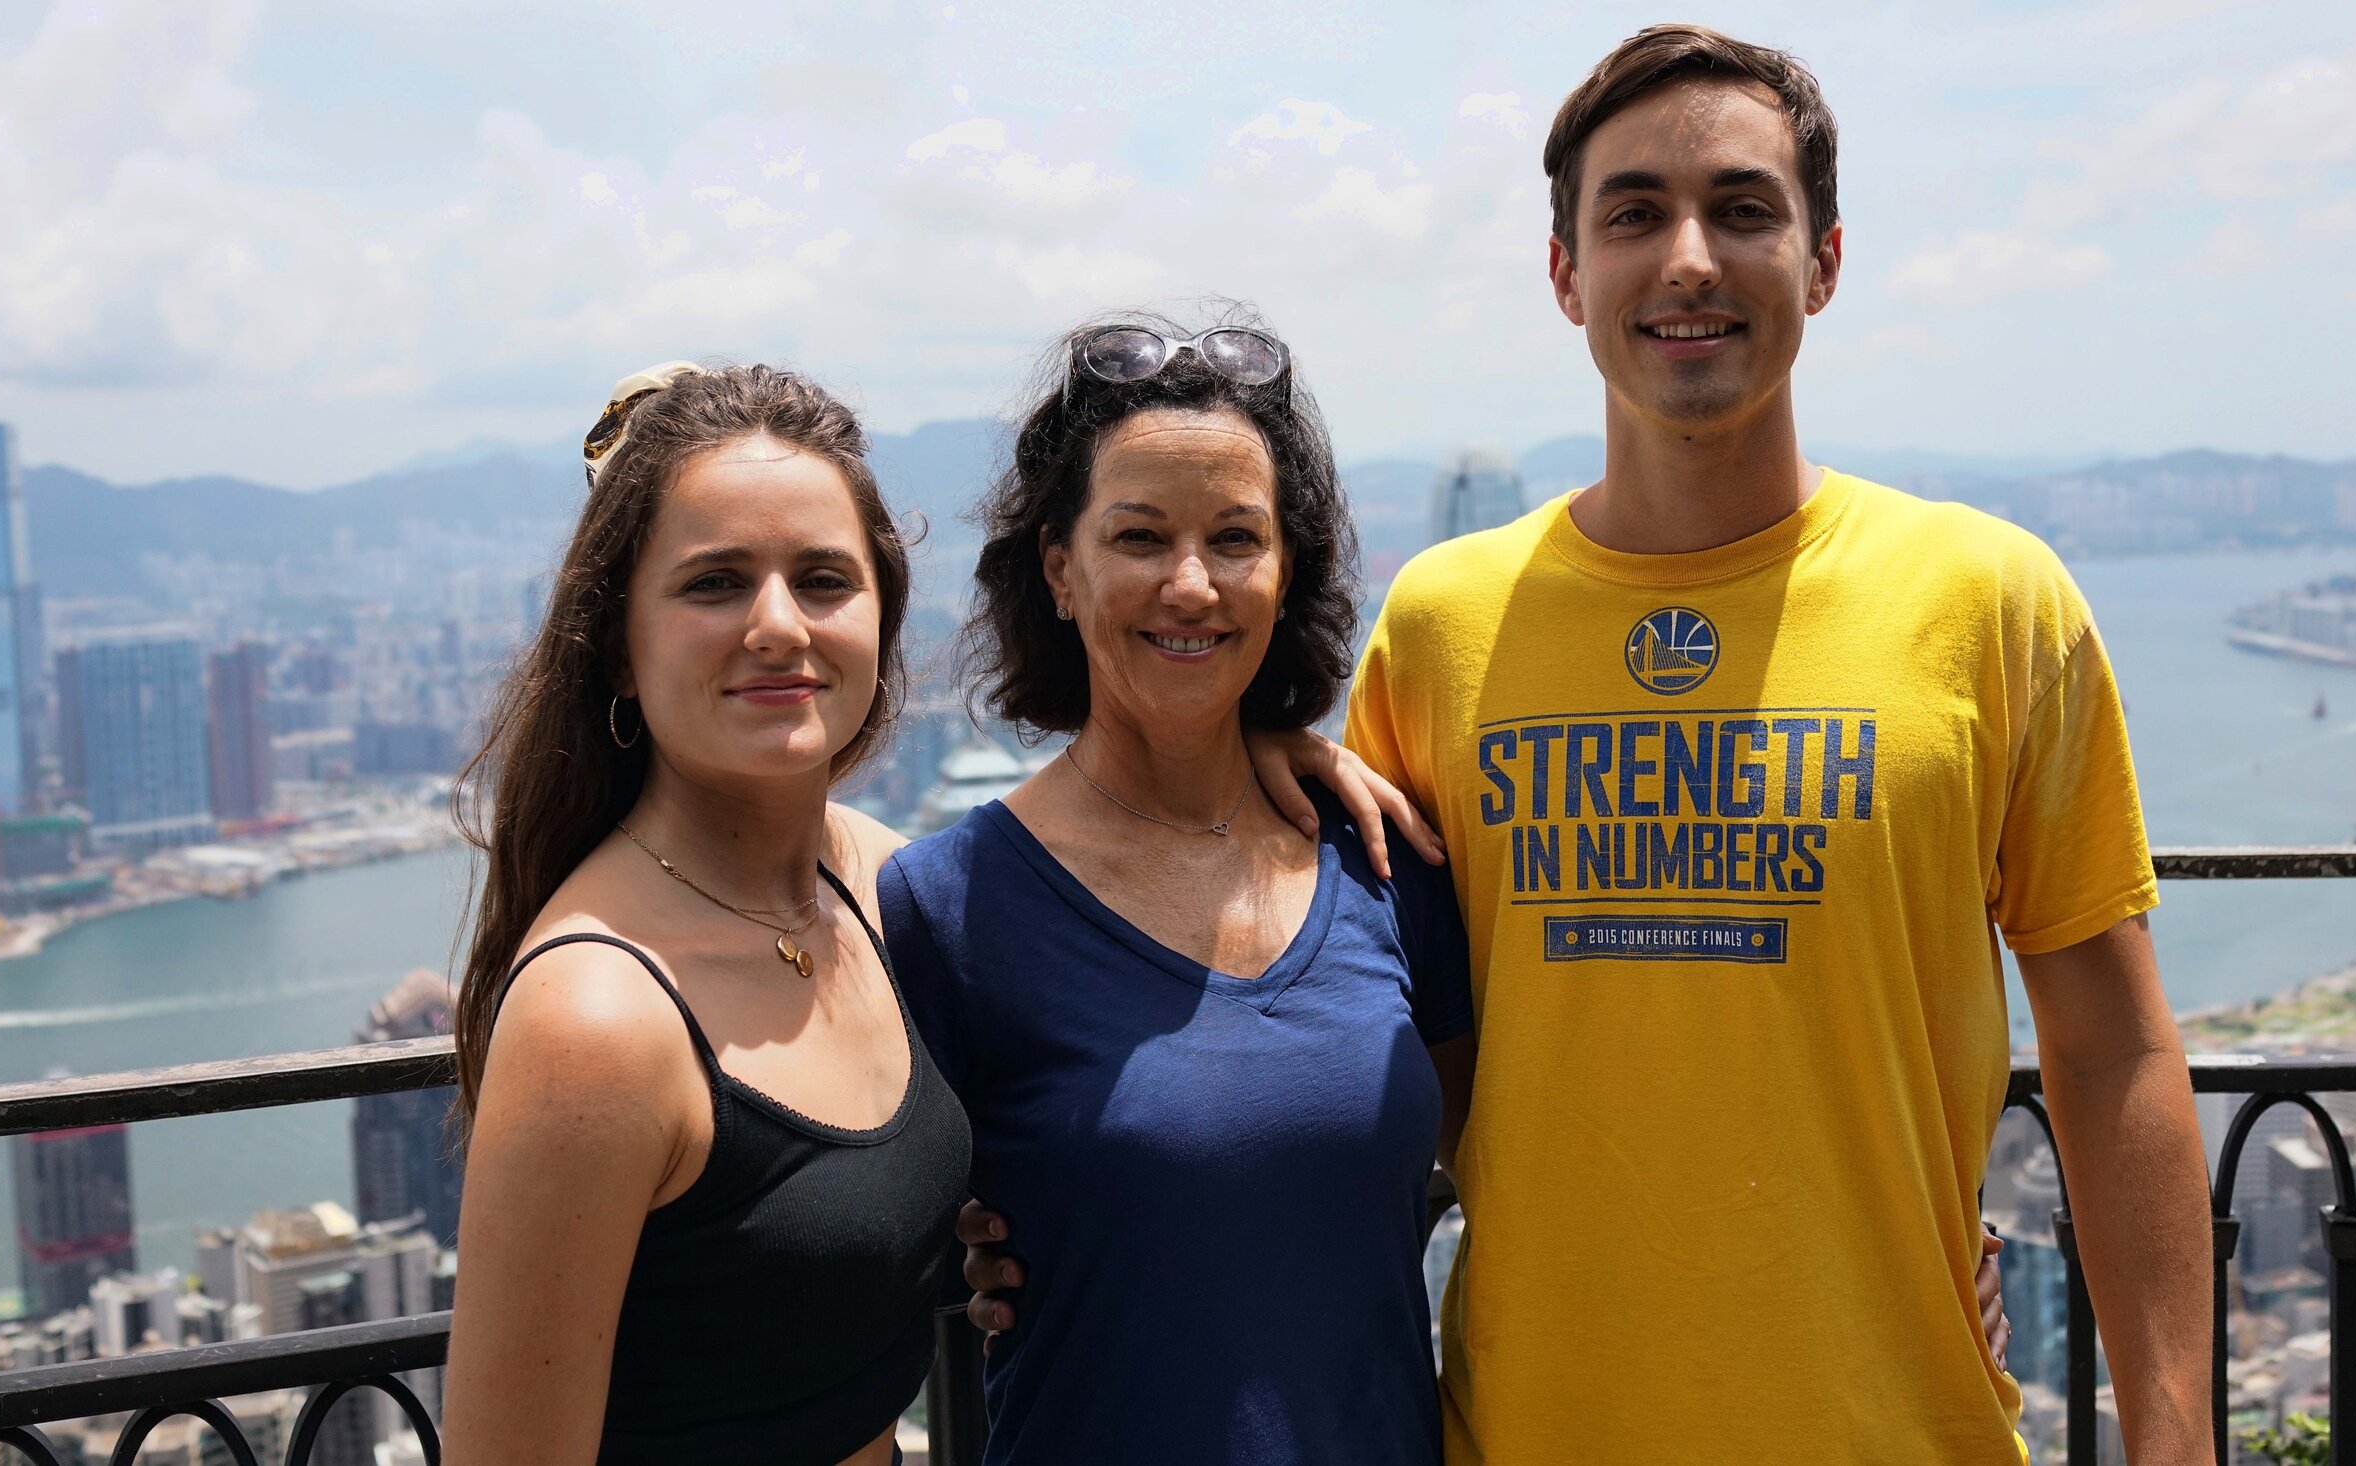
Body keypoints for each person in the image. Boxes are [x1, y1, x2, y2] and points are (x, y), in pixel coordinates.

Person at [1337, 24, 2210, 1465]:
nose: (1690, 258)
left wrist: (2177, 1436)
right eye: (1633, 214)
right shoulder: (1439, 626)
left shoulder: (1990, 599)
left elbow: (2112, 1046)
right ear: (1566, 274)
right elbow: (1355, 1033)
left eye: (1744, 209)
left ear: (1825, 261)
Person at [877, 312, 1476, 1464]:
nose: (1191, 584)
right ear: (1060, 568)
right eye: (1140, 537)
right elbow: (855, 1222)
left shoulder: (1383, 858)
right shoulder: (946, 910)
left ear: (1286, 567)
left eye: (1235, 538)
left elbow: (1500, 1157)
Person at [439, 362, 970, 1466]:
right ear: (619, 651)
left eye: (823, 578)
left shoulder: (874, 883)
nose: (778, 624)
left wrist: (1261, 755)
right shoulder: (598, 1020)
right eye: (715, 582)